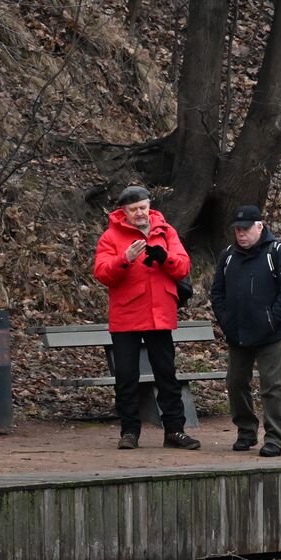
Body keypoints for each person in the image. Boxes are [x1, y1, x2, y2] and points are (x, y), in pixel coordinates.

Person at [92, 185, 201, 450]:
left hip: (160, 313)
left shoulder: (166, 230)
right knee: (126, 377)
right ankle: (129, 431)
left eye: (143, 207)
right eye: (134, 209)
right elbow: (102, 273)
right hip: (127, 315)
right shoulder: (111, 236)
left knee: (167, 375)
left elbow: (183, 265)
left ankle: (174, 430)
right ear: (124, 212)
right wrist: (125, 259)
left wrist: (165, 259)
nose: (140, 213)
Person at [210, 205, 281, 457]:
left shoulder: (279, 253)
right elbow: (217, 292)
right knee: (236, 382)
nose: (241, 234)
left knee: (271, 385)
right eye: (238, 229)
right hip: (237, 330)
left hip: (269, 333)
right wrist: (225, 319)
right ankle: (246, 430)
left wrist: (273, 319)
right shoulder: (228, 255)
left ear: (259, 226)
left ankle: (274, 438)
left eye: (246, 229)